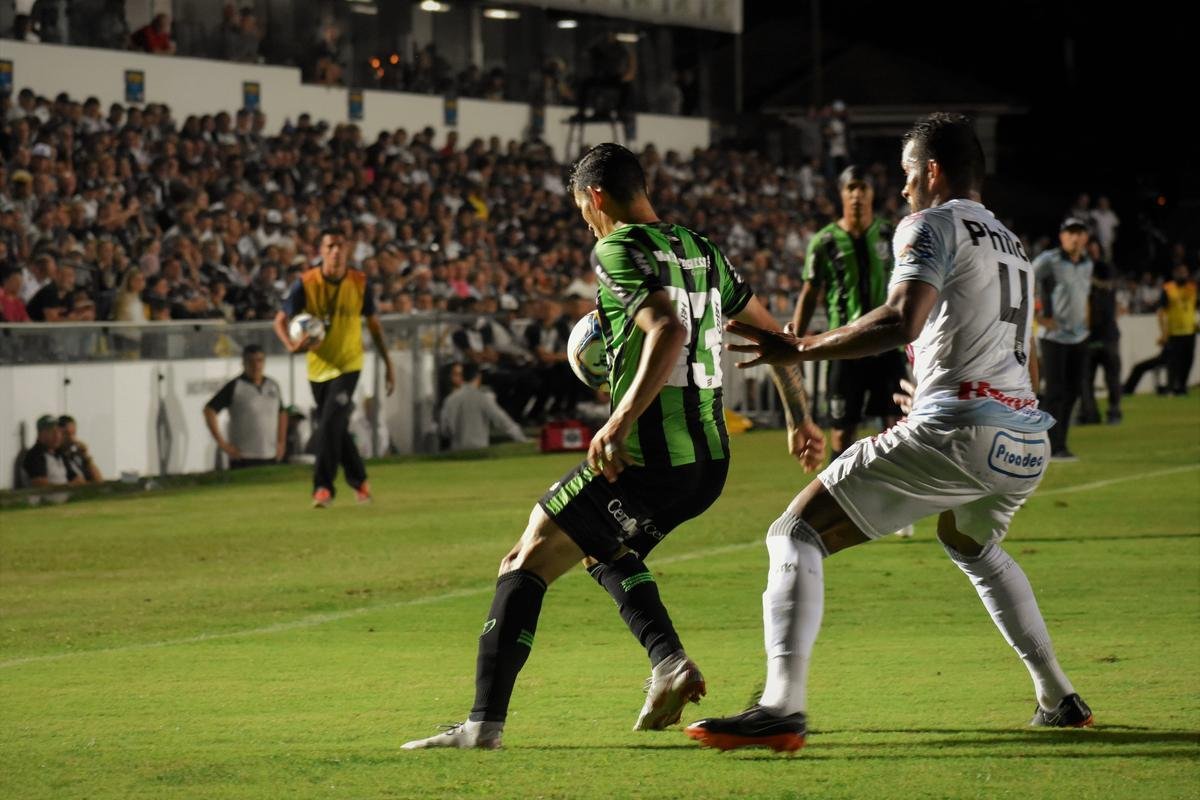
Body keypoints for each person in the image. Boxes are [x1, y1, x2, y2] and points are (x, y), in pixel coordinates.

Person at [685, 113, 1091, 754]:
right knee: (971, 544)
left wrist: (802, 347)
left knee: (795, 531)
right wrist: (945, 387)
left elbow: (902, 319)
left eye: (906, 176)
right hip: (1024, 439)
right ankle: (1058, 696)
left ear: (931, 172)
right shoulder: (1012, 242)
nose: (902, 191)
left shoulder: (931, 223)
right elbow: (1026, 364)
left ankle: (780, 706)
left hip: (962, 432)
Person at [402, 143, 823, 750]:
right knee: (600, 550)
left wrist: (619, 420)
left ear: (595, 197)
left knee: (524, 558)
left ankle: (480, 727)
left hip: (651, 459)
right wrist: (798, 417)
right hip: (709, 465)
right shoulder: (700, 249)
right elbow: (773, 332)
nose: (585, 222)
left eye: (582, 209)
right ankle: (669, 665)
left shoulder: (617, 247)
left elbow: (668, 329)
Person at [792, 165, 910, 534]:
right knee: (842, 433)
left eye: (863, 188)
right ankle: (841, 507)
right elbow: (811, 291)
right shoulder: (824, 241)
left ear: (872, 194)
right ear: (842, 195)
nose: (857, 195)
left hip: (888, 347)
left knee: (894, 428)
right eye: (851, 188)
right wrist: (794, 339)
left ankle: (897, 506)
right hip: (843, 349)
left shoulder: (892, 234)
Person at [274, 229, 395, 507]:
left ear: (348, 250)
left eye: (341, 245)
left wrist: (388, 364)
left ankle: (323, 487)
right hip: (318, 366)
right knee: (335, 426)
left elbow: (374, 325)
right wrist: (290, 345)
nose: (336, 251)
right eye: (331, 246)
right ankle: (360, 481)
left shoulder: (359, 282)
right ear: (321, 251)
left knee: (329, 422)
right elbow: (279, 321)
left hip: (349, 363)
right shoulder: (305, 283)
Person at [1033, 218, 1093, 461]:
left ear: (1085, 237)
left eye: (1079, 233)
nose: (1075, 238)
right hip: (1054, 337)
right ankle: (1046, 446)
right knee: (1055, 393)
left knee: (1073, 392)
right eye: (1070, 233)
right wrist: (1038, 316)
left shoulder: (1088, 262)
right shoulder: (1050, 260)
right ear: (1062, 237)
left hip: (1079, 336)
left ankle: (1060, 444)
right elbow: (1024, 277)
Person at [204, 344, 288, 468]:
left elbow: (281, 412)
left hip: (270, 454)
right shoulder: (235, 386)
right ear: (243, 363)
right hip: (244, 456)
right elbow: (209, 410)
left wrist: (281, 441)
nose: (256, 366)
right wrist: (223, 444)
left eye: (259, 361)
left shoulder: (273, 385)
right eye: (251, 361)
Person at [1077, 240, 1122, 425]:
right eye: (1090, 249)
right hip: (1087, 335)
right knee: (1085, 379)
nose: (1093, 252)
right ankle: (1089, 415)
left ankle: (1114, 412)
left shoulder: (1106, 268)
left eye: (1095, 249)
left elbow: (1109, 285)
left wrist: (1088, 278)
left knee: (1112, 378)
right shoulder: (1080, 270)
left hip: (1108, 334)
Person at [440, 363, 528, 451]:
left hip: (457, 452)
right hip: (479, 451)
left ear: (462, 377)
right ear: (478, 377)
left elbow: (445, 430)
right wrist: (523, 440)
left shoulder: (450, 399)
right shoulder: (483, 398)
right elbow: (503, 422)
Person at [1159, 262, 1197, 395]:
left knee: (1188, 361)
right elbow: (1162, 311)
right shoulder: (1168, 288)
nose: (1183, 274)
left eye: (1185, 272)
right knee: (1173, 362)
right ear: (1175, 273)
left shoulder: (1192, 288)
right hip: (1174, 332)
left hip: (1190, 331)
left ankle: (1182, 386)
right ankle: (1171, 387)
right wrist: (1163, 333)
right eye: (1180, 272)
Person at [23, 415, 82, 487]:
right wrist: (69, 486)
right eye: (51, 431)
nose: (57, 435)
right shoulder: (34, 455)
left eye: (58, 431)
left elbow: (77, 478)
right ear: (41, 433)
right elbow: (41, 486)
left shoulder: (60, 454)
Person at [58, 415, 103, 483]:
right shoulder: (56, 458)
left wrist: (86, 457)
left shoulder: (75, 457)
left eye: (73, 434)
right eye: (66, 434)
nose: (71, 439)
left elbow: (98, 480)